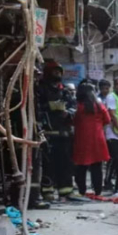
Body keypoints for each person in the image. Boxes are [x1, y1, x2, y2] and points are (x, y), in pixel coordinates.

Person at [37, 60, 79, 201]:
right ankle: (47, 191)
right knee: (48, 164)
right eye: (54, 71)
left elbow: (74, 107)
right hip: (47, 134)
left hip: (64, 133)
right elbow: (36, 108)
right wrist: (49, 107)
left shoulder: (64, 90)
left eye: (59, 71)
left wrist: (68, 113)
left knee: (65, 164)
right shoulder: (40, 89)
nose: (57, 74)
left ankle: (66, 191)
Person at [72, 81, 111, 197]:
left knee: (81, 165)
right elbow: (107, 120)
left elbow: (73, 121)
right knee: (97, 166)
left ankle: (82, 190)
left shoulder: (79, 107)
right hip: (98, 138)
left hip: (82, 138)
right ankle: (98, 190)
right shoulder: (99, 106)